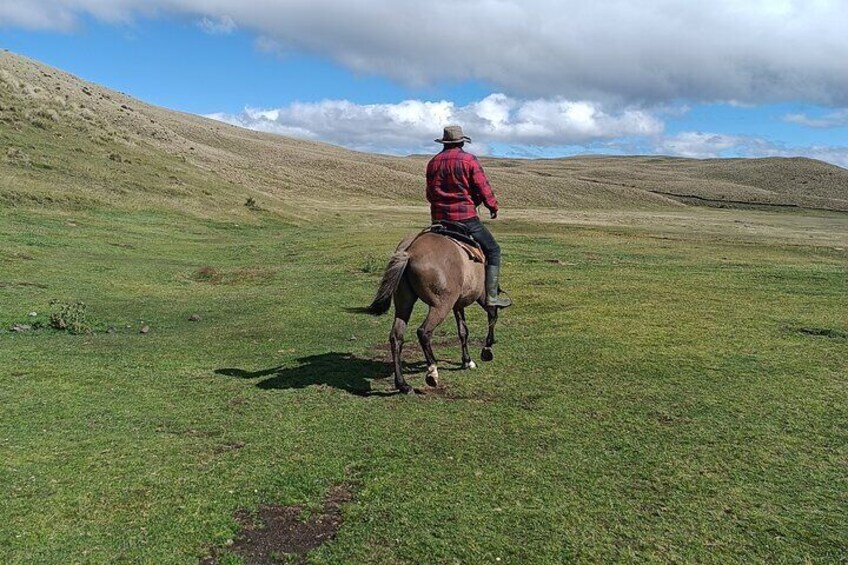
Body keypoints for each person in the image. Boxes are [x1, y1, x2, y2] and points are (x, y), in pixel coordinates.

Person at [426, 125, 512, 308]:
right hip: (465, 219)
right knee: (493, 250)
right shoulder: (469, 160)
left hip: (439, 221)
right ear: (461, 141)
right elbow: (483, 188)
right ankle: (492, 296)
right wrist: (492, 206)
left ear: (444, 142)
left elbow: (429, 194)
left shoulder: (433, 162)